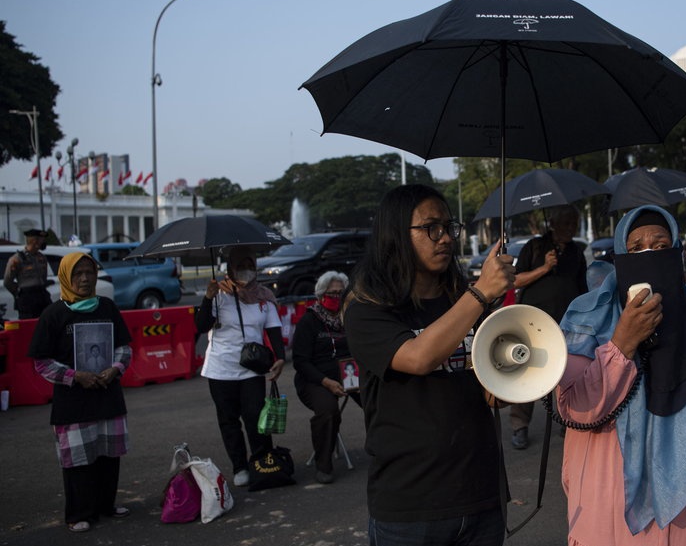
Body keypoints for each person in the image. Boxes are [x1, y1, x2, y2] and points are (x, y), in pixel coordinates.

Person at [344, 184, 515, 546]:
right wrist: (481, 293)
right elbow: (419, 357)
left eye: (449, 227)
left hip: (481, 495)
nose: (445, 239)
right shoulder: (367, 307)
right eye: (430, 228)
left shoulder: (464, 300)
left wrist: (505, 385)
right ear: (395, 234)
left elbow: (494, 392)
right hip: (411, 506)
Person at [556, 205, 686, 545]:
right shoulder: (586, 320)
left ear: (677, 253)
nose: (649, 255)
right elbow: (576, 409)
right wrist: (622, 343)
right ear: (621, 257)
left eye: (660, 245)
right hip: (610, 499)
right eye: (636, 248)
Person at [27, 252, 132, 533]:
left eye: (90, 272)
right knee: (78, 460)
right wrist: (75, 377)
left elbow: (124, 347)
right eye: (78, 273)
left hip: (107, 395)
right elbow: (42, 362)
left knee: (108, 455)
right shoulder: (54, 314)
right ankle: (79, 513)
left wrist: (115, 369)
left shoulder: (107, 307)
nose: (85, 278)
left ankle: (106, 504)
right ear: (65, 277)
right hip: (73, 401)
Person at [194, 245, 286, 488]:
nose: (246, 271)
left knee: (256, 417)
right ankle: (239, 466)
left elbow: (274, 330)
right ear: (230, 269)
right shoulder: (219, 295)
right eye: (240, 266)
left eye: (250, 266)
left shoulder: (264, 297)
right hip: (220, 368)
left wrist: (280, 358)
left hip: (252, 368)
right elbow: (202, 326)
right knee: (229, 420)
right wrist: (208, 297)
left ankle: (261, 462)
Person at [508, 204, 588, 449]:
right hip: (533, 321)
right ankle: (519, 425)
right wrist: (543, 268)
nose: (569, 229)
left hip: (566, 322)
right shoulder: (534, 247)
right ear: (552, 223)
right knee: (526, 370)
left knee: (568, 370)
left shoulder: (577, 251)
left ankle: (568, 420)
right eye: (565, 223)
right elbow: (514, 280)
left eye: (573, 224)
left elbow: (582, 288)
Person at [292, 270, 351, 484]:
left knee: (379, 396)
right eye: (331, 293)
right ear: (320, 294)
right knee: (328, 410)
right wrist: (326, 382)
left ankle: (385, 449)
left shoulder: (349, 318)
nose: (336, 297)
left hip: (349, 375)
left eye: (340, 293)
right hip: (316, 380)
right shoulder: (309, 321)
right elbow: (300, 361)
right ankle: (323, 464)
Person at [4, 228, 52, 319]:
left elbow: (43, 278)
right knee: (28, 326)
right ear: (35, 241)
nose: (44, 242)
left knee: (47, 321)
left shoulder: (42, 258)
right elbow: (7, 282)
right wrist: (20, 293)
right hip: (27, 299)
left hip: (42, 296)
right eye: (42, 239)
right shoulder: (16, 259)